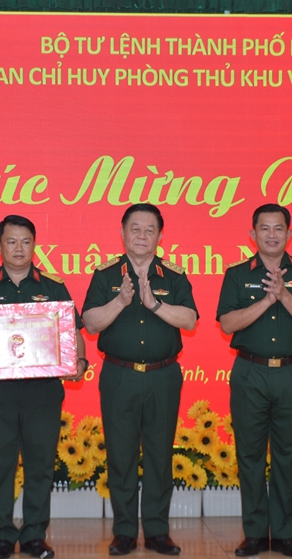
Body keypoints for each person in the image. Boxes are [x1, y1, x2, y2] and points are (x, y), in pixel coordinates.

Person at [0, 215, 87, 559]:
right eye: (11, 241)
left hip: (43, 392)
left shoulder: (53, 286)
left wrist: (79, 362)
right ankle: (1, 536)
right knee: (0, 467)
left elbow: (73, 333)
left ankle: (34, 536)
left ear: (34, 245)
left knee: (40, 466)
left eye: (26, 242)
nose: (18, 248)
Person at [82, 203, 198, 557]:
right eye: (135, 228)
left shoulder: (173, 276)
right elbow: (90, 323)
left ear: (160, 236)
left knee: (160, 456)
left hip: (163, 376)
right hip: (119, 376)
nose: (142, 236)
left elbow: (190, 320)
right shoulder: (105, 275)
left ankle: (158, 532)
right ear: (122, 233)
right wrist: (120, 301)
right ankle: (124, 532)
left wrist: (154, 305)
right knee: (121, 455)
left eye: (150, 230)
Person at [216, 204, 292, 558]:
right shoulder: (237, 274)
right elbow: (227, 324)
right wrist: (267, 300)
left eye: (279, 228)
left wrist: (286, 296)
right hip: (250, 372)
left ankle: (284, 534)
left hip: (290, 373)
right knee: (249, 454)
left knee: (288, 454)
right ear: (253, 234)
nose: (272, 235)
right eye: (265, 228)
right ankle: (254, 534)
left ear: (289, 234)